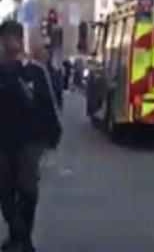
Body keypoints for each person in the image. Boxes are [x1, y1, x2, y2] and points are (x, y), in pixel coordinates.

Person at [0, 21, 62, 252]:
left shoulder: (34, 71)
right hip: (3, 141)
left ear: (19, 41)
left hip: (28, 141)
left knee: (27, 189)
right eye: (6, 40)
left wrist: (53, 133)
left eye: (13, 39)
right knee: (4, 190)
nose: (9, 44)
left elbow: (48, 104)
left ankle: (22, 238)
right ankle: (19, 234)